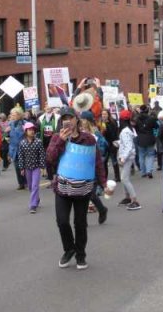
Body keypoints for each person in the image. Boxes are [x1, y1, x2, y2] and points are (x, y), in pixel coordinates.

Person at [46, 107, 108, 270]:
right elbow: (50, 158)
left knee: (80, 223)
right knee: (62, 221)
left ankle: (81, 254)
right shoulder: (56, 138)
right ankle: (69, 249)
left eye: (71, 118)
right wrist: (60, 140)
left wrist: (104, 183)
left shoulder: (88, 139)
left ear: (77, 120)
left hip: (83, 189)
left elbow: (97, 162)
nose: (68, 121)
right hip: (62, 188)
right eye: (65, 118)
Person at [18, 122, 45, 213]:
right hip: (27, 168)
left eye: (33, 129)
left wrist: (42, 167)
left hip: (36, 167)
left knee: (35, 185)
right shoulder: (22, 143)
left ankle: (33, 205)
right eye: (29, 130)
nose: (32, 131)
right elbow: (20, 156)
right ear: (25, 131)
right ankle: (36, 198)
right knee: (30, 186)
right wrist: (21, 168)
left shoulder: (38, 142)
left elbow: (42, 155)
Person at [117, 109, 140, 210]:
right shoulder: (130, 129)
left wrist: (123, 158)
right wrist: (119, 143)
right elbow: (128, 144)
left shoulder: (125, 131)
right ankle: (127, 197)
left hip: (126, 157)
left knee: (124, 179)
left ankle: (134, 200)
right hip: (127, 156)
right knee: (125, 178)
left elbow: (128, 146)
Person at [135, 105, 159, 178]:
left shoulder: (136, 119)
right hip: (149, 138)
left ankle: (143, 172)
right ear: (147, 110)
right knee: (150, 155)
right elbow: (156, 126)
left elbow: (134, 128)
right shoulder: (151, 118)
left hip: (140, 138)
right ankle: (149, 170)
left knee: (141, 155)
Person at [7, 107, 27, 190]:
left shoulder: (25, 123)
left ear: (19, 115)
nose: (12, 116)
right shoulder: (10, 124)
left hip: (23, 148)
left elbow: (24, 135)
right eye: (12, 114)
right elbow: (9, 138)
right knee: (17, 166)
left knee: (24, 166)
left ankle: (26, 182)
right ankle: (21, 183)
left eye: (14, 114)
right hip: (13, 149)